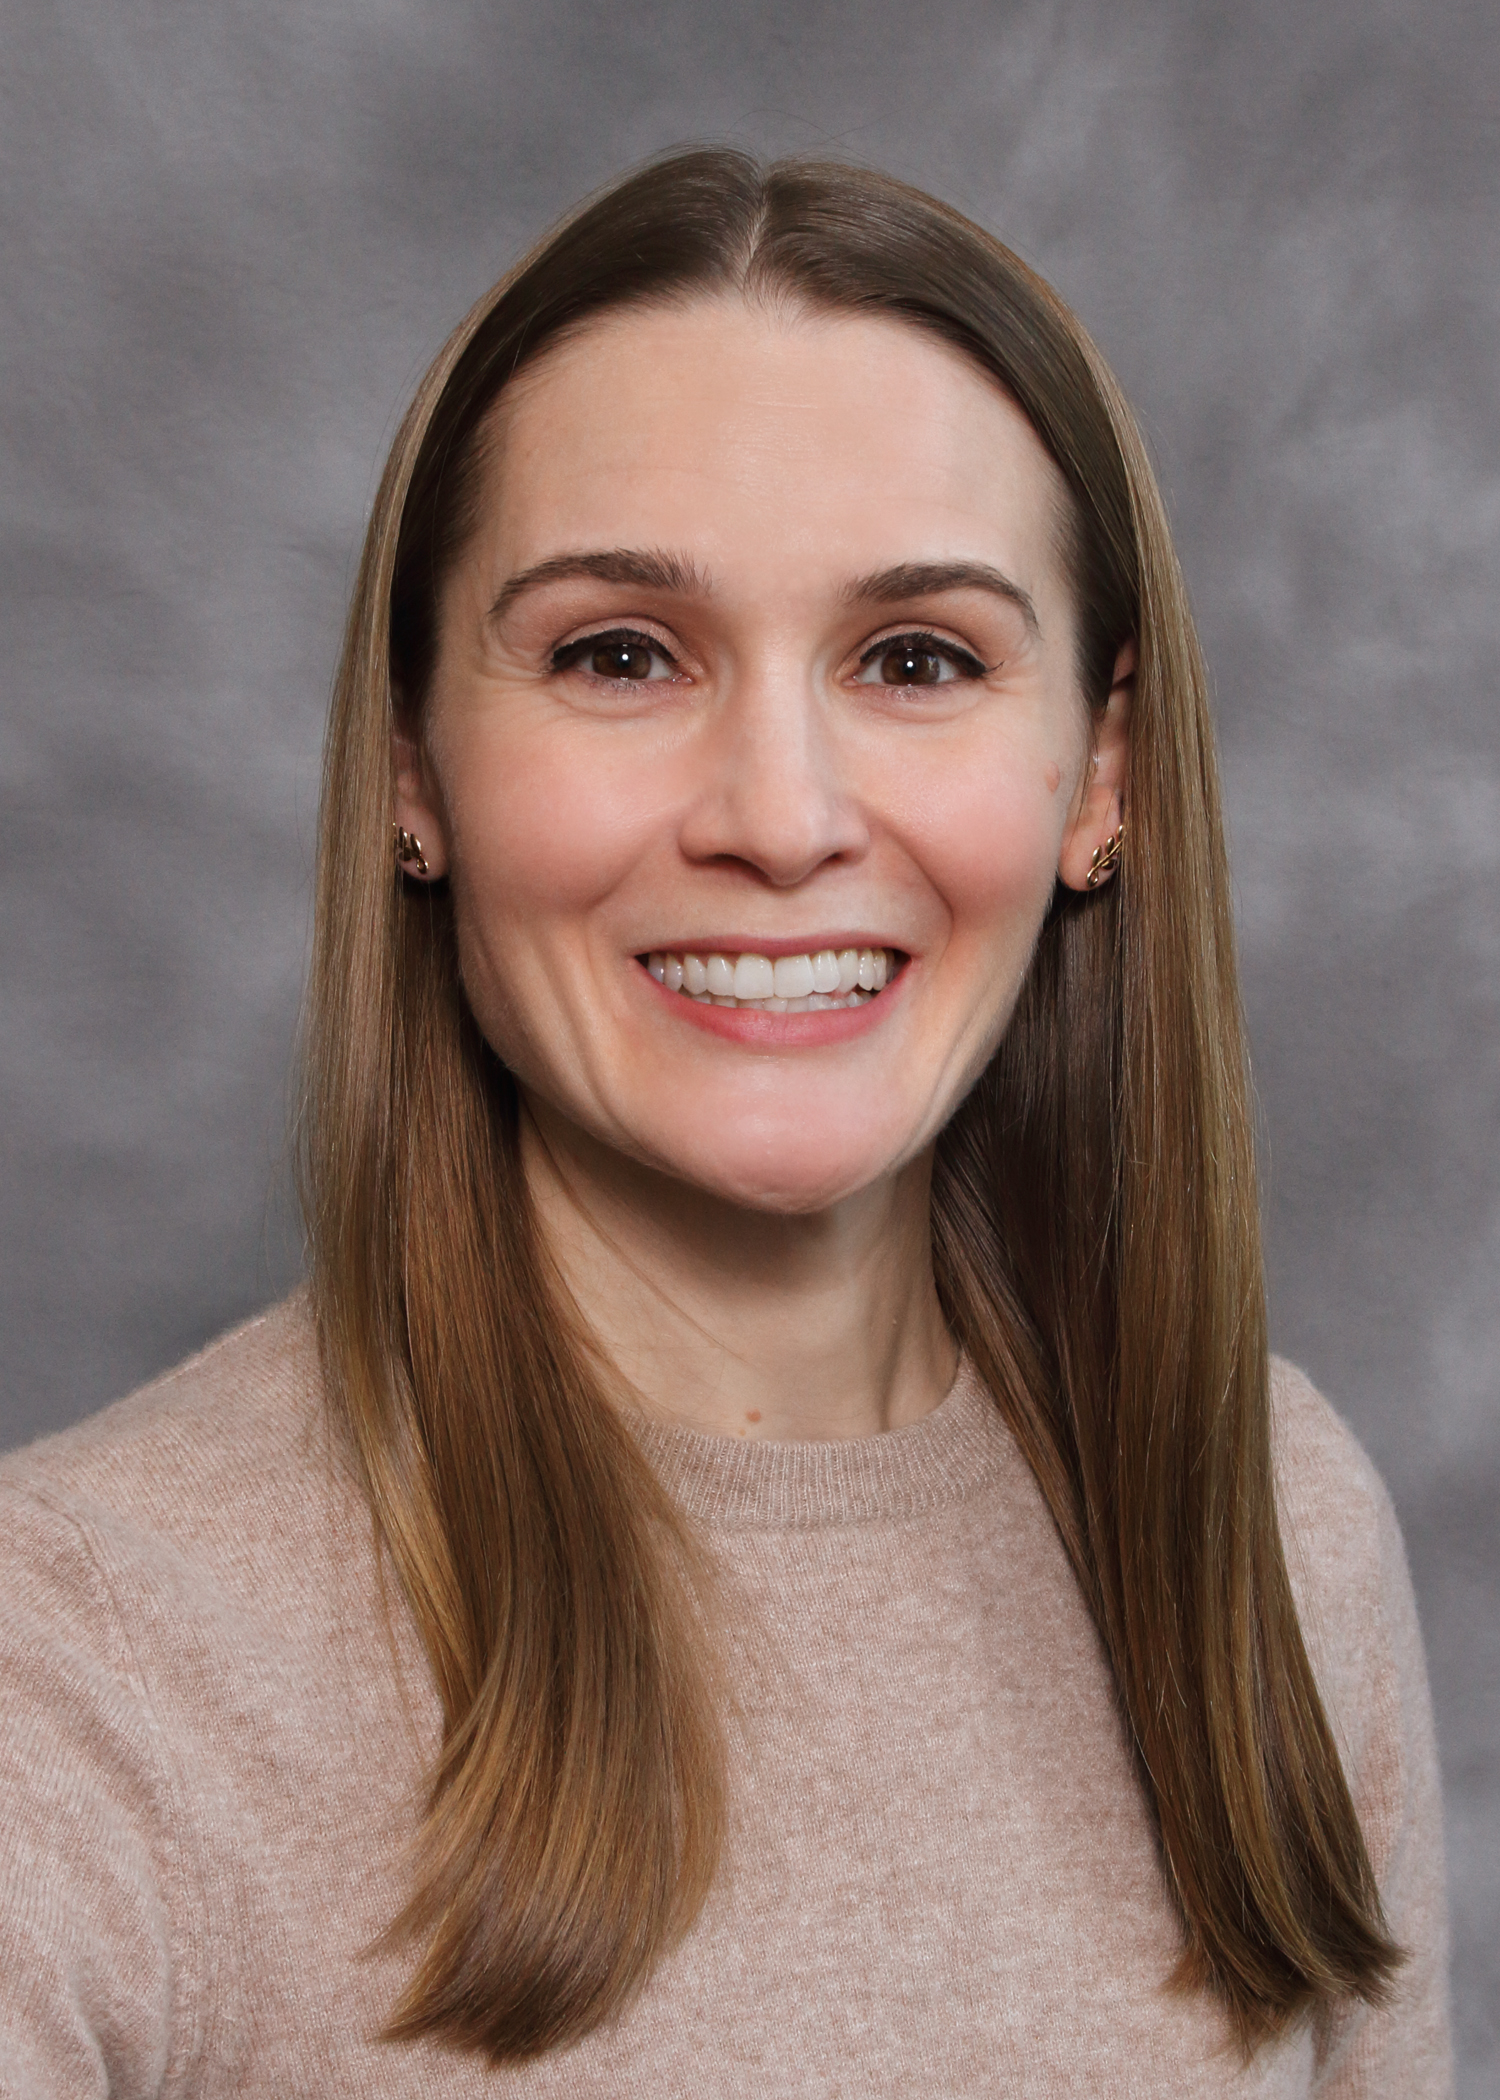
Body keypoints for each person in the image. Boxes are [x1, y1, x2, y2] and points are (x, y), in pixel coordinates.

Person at [0, 149, 1450, 2097]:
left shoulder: (1272, 1524)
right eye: (620, 655)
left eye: (916, 659)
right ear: (415, 767)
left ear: (1101, 773)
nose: (779, 813)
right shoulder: (74, 1670)